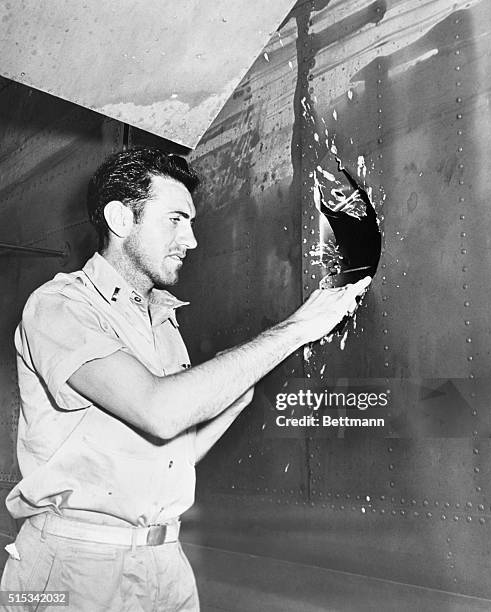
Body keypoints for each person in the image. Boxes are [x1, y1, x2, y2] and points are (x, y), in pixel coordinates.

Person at [0, 148, 371, 611]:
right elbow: (159, 411)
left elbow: (175, 451)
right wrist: (293, 330)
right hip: (76, 566)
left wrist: (238, 388)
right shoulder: (59, 306)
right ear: (120, 218)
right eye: (175, 219)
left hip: (164, 562)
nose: (191, 240)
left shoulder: (161, 317)